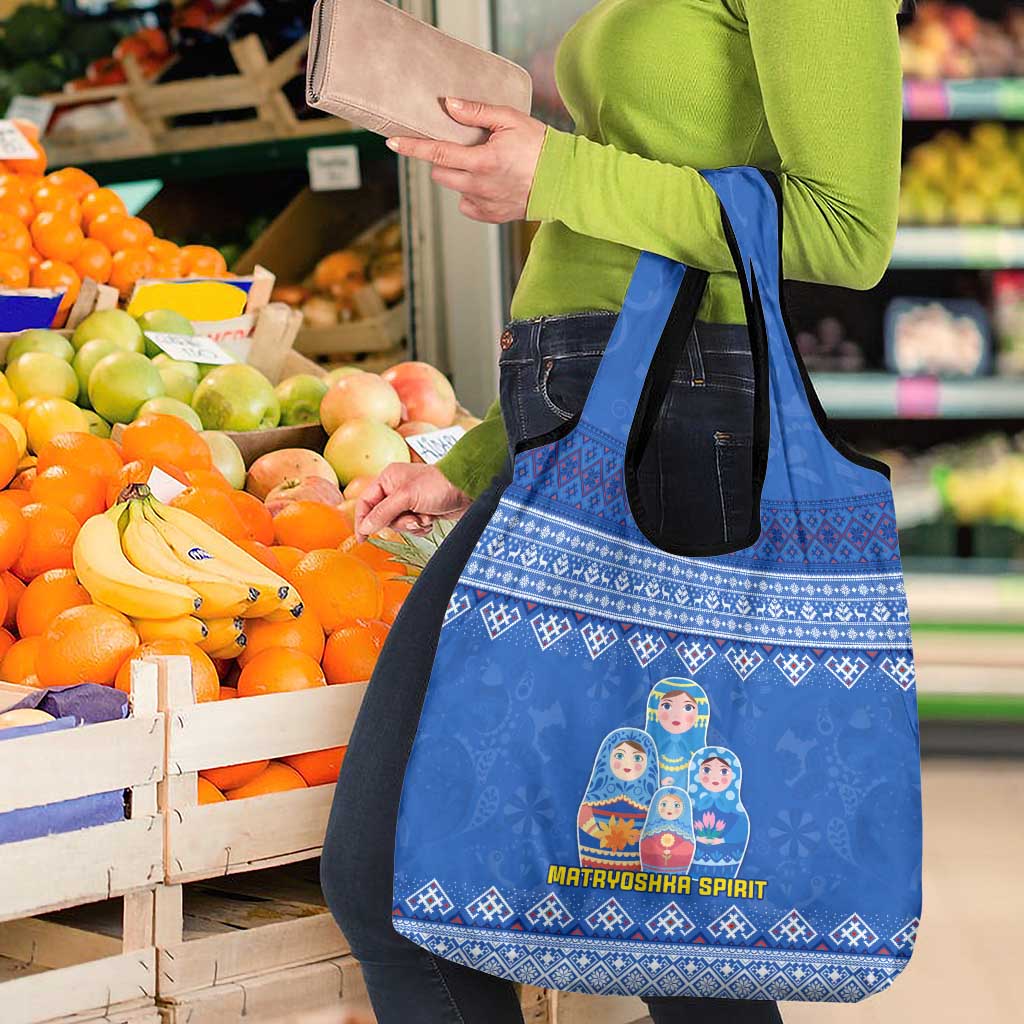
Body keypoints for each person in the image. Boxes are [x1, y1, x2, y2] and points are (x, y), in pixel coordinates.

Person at [321, 2, 905, 1022]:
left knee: (433, 881)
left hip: (680, 439)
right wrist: (481, 455)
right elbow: (622, 242)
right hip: (588, 430)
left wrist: (557, 173)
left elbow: (848, 231)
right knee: (659, 924)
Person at [577, 728, 661, 871]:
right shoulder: (595, 796)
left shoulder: (651, 804)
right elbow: (584, 817)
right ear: (606, 758)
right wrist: (603, 835)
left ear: (650, 763)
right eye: (620, 756)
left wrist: (632, 837)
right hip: (594, 865)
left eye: (637, 758)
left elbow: (654, 830)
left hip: (634, 871)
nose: (628, 765)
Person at [688, 747, 751, 879]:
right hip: (693, 865)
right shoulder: (690, 805)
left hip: (726, 866)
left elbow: (741, 828)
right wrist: (696, 838)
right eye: (706, 770)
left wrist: (722, 840)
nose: (715, 777)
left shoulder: (737, 809)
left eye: (723, 771)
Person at [645, 678, 710, 785]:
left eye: (688, 708)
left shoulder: (699, 759)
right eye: (667, 706)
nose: (676, 715)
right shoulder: (647, 753)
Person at [639, 786, 697, 875]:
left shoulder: (685, 831)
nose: (669, 809)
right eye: (664, 804)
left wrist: (673, 852)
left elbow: (688, 846)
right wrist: (658, 850)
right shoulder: (652, 828)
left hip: (678, 872)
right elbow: (646, 843)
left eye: (676, 805)